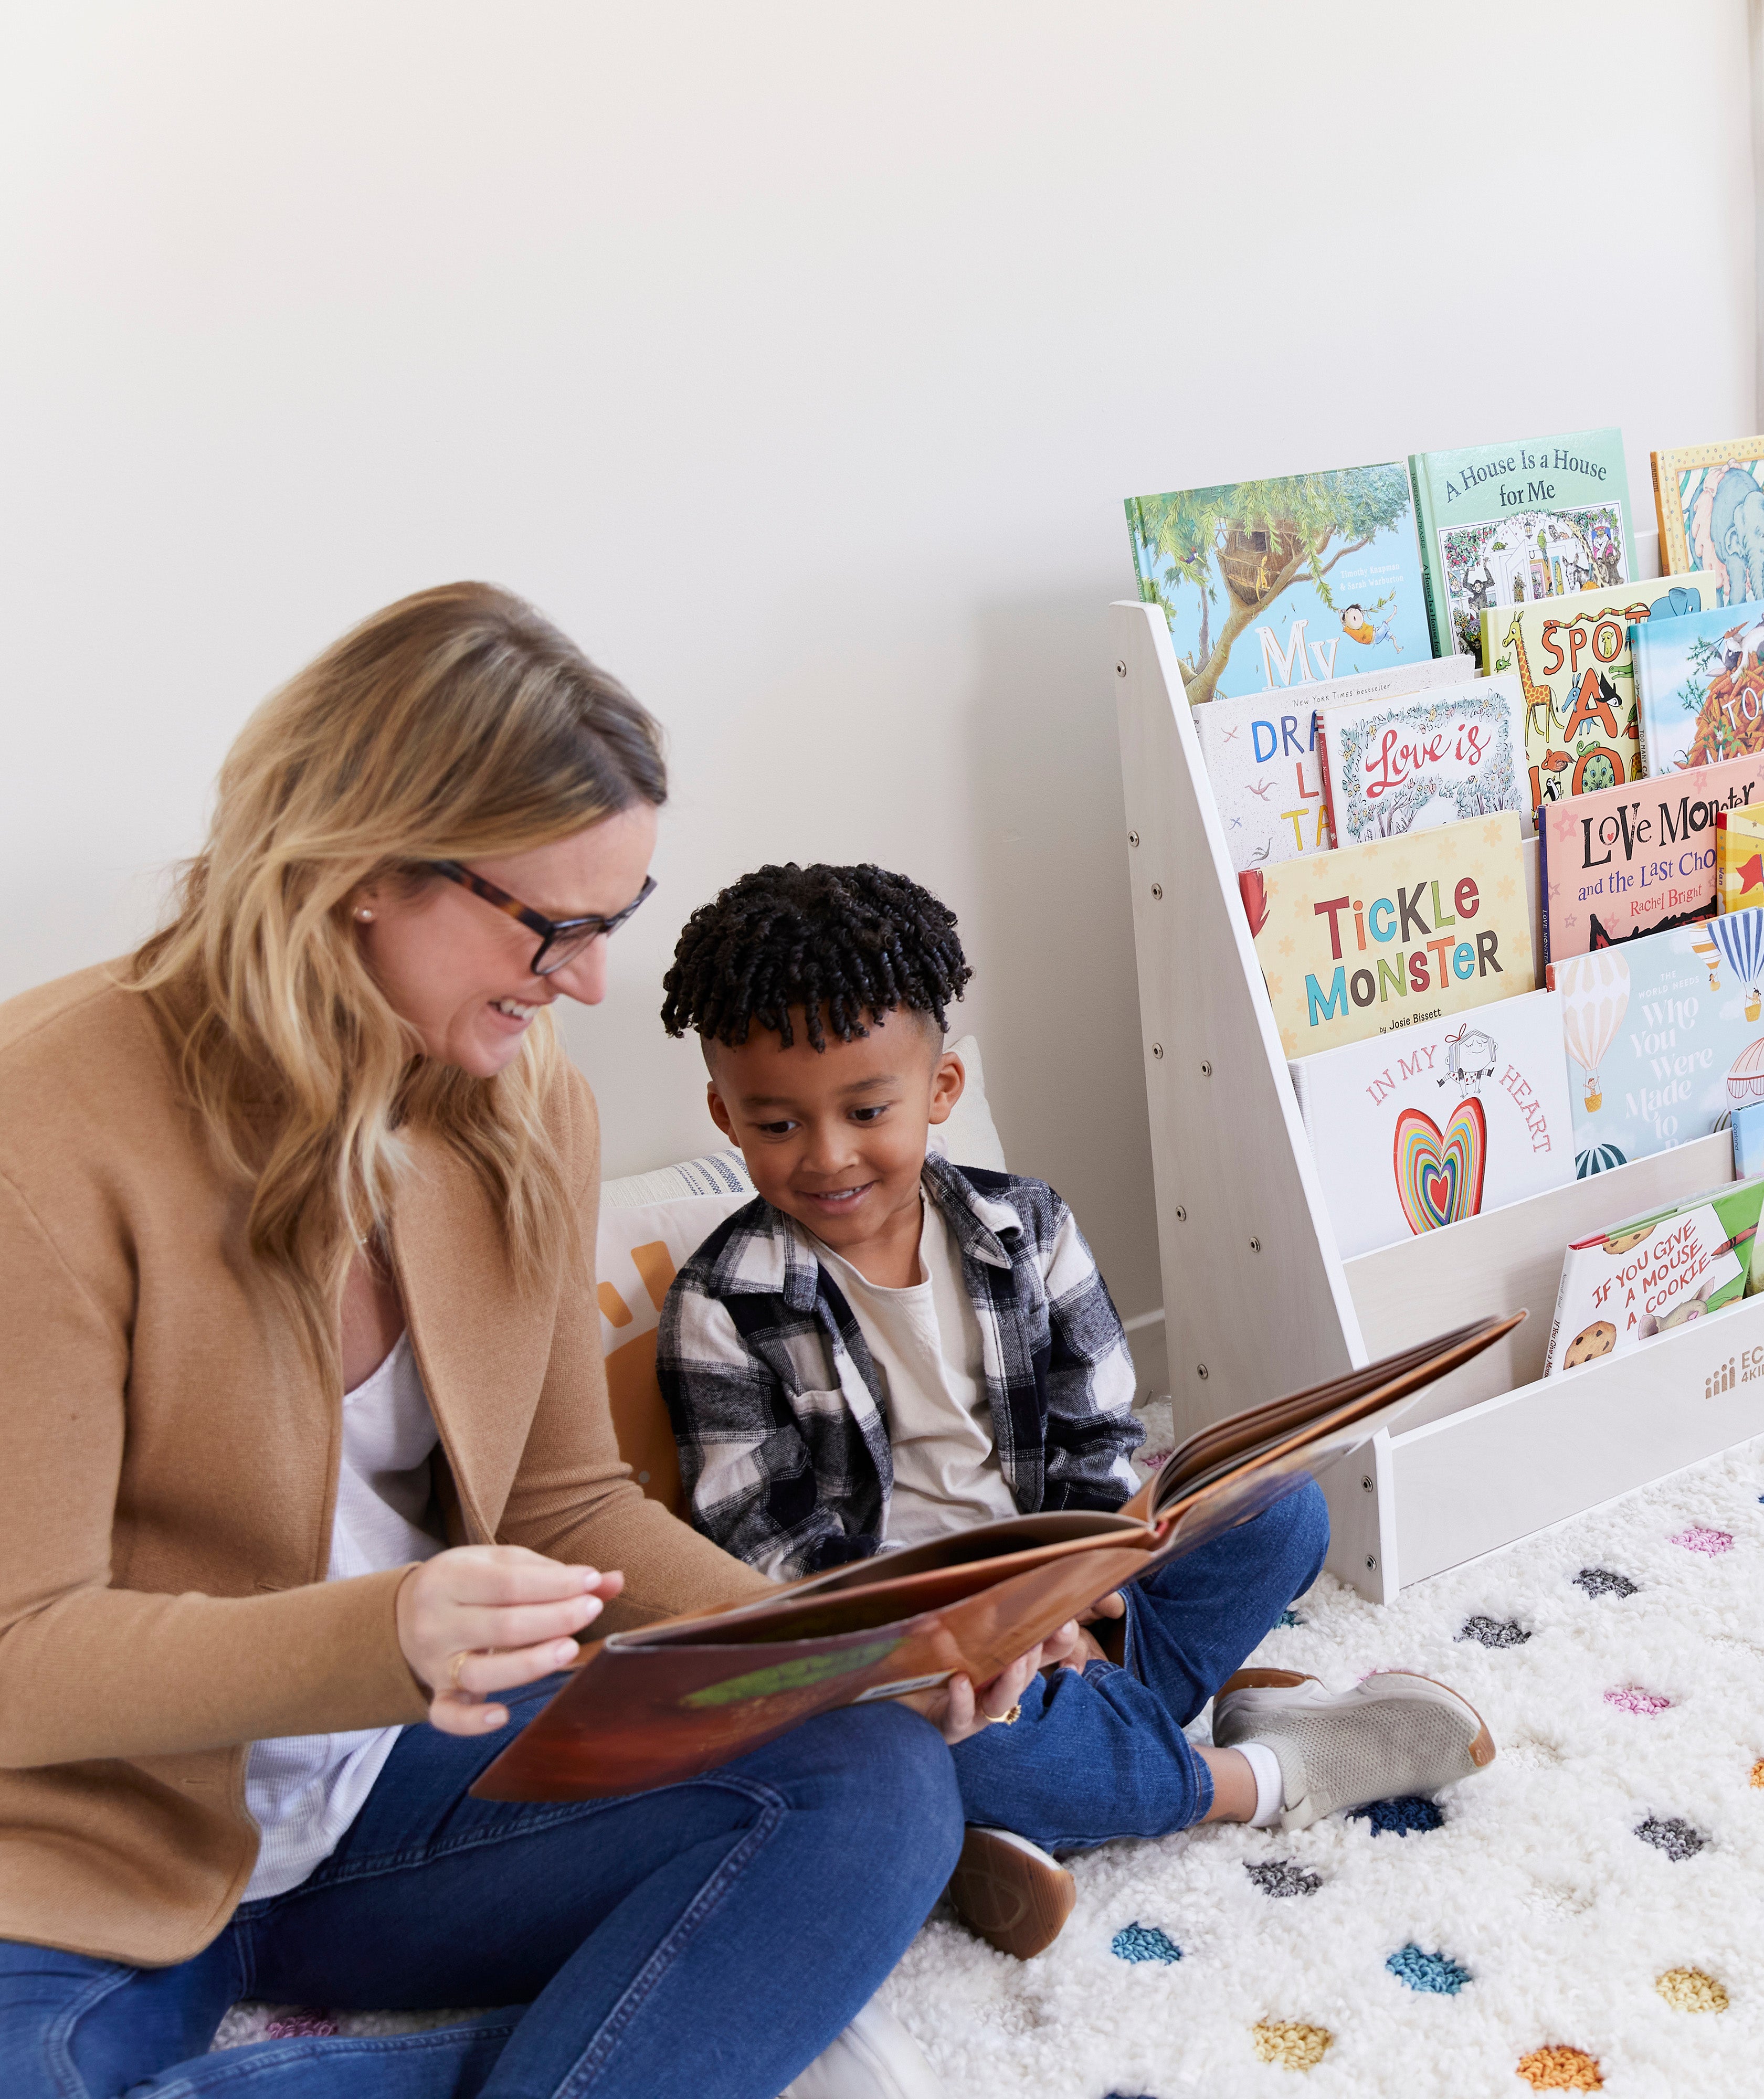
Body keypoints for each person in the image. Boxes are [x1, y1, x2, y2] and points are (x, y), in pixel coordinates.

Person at [0, 587, 1052, 2099]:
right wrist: (386, 1634)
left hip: (395, 1792)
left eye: (608, 922)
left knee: (872, 1775)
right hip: (82, 1847)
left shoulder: (519, 1104)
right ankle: (694, 2033)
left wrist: (847, 1646)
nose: (588, 982)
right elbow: (21, 1649)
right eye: (552, 925)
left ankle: (696, 2026)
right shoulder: (43, 1132)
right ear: (366, 868)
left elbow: (566, 1502)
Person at [655, 863, 1497, 1960]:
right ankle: (1257, 1771)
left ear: (941, 1087)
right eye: (776, 1123)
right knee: (936, 1749)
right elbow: (768, 1550)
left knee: (1283, 1511)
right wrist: (984, 1635)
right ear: (724, 1113)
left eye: (866, 1111)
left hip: (1072, 1597)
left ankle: (1061, 1774)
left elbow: (1097, 1438)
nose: (827, 1155)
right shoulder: (722, 1303)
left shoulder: (1028, 1227)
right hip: (911, 1657)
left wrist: (1076, 1598)